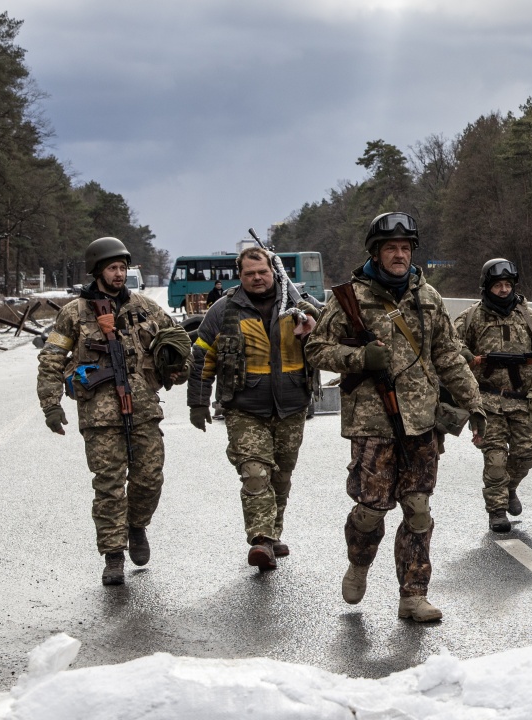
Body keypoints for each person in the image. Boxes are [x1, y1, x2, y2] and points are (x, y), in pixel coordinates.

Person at [305, 211, 483, 622]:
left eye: (405, 248)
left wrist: (474, 405)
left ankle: (413, 596)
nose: (400, 255)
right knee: (370, 510)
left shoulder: (428, 297)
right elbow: (315, 349)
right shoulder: (351, 296)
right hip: (372, 423)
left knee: (418, 510)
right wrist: (358, 358)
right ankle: (359, 562)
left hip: (421, 421)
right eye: (391, 248)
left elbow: (449, 355)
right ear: (376, 252)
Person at [36, 237, 190, 585]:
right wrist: (50, 405)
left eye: (123, 268)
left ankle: (136, 526)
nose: (119, 274)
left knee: (149, 479)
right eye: (112, 268)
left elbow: (178, 342)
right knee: (108, 486)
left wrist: (178, 369)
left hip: (144, 410)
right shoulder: (74, 313)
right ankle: (113, 556)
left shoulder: (145, 307)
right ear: (97, 271)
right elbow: (51, 358)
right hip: (99, 415)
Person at [187, 247, 319, 571]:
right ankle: (260, 540)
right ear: (240, 276)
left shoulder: (296, 304)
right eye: (249, 274)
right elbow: (203, 355)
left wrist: (314, 323)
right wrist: (197, 402)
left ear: (273, 272)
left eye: (262, 272)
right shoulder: (223, 310)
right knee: (256, 474)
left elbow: (330, 334)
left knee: (281, 476)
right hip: (244, 408)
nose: (257, 278)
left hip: (292, 405)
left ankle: (273, 533)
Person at [453, 258, 532, 533]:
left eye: (508, 284)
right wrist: (466, 355)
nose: (504, 290)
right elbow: (450, 342)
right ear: (488, 287)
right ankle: (496, 511)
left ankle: (510, 490)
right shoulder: (472, 317)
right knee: (495, 458)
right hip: (487, 401)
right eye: (498, 285)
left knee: (526, 452)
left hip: (521, 400)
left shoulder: (526, 315)